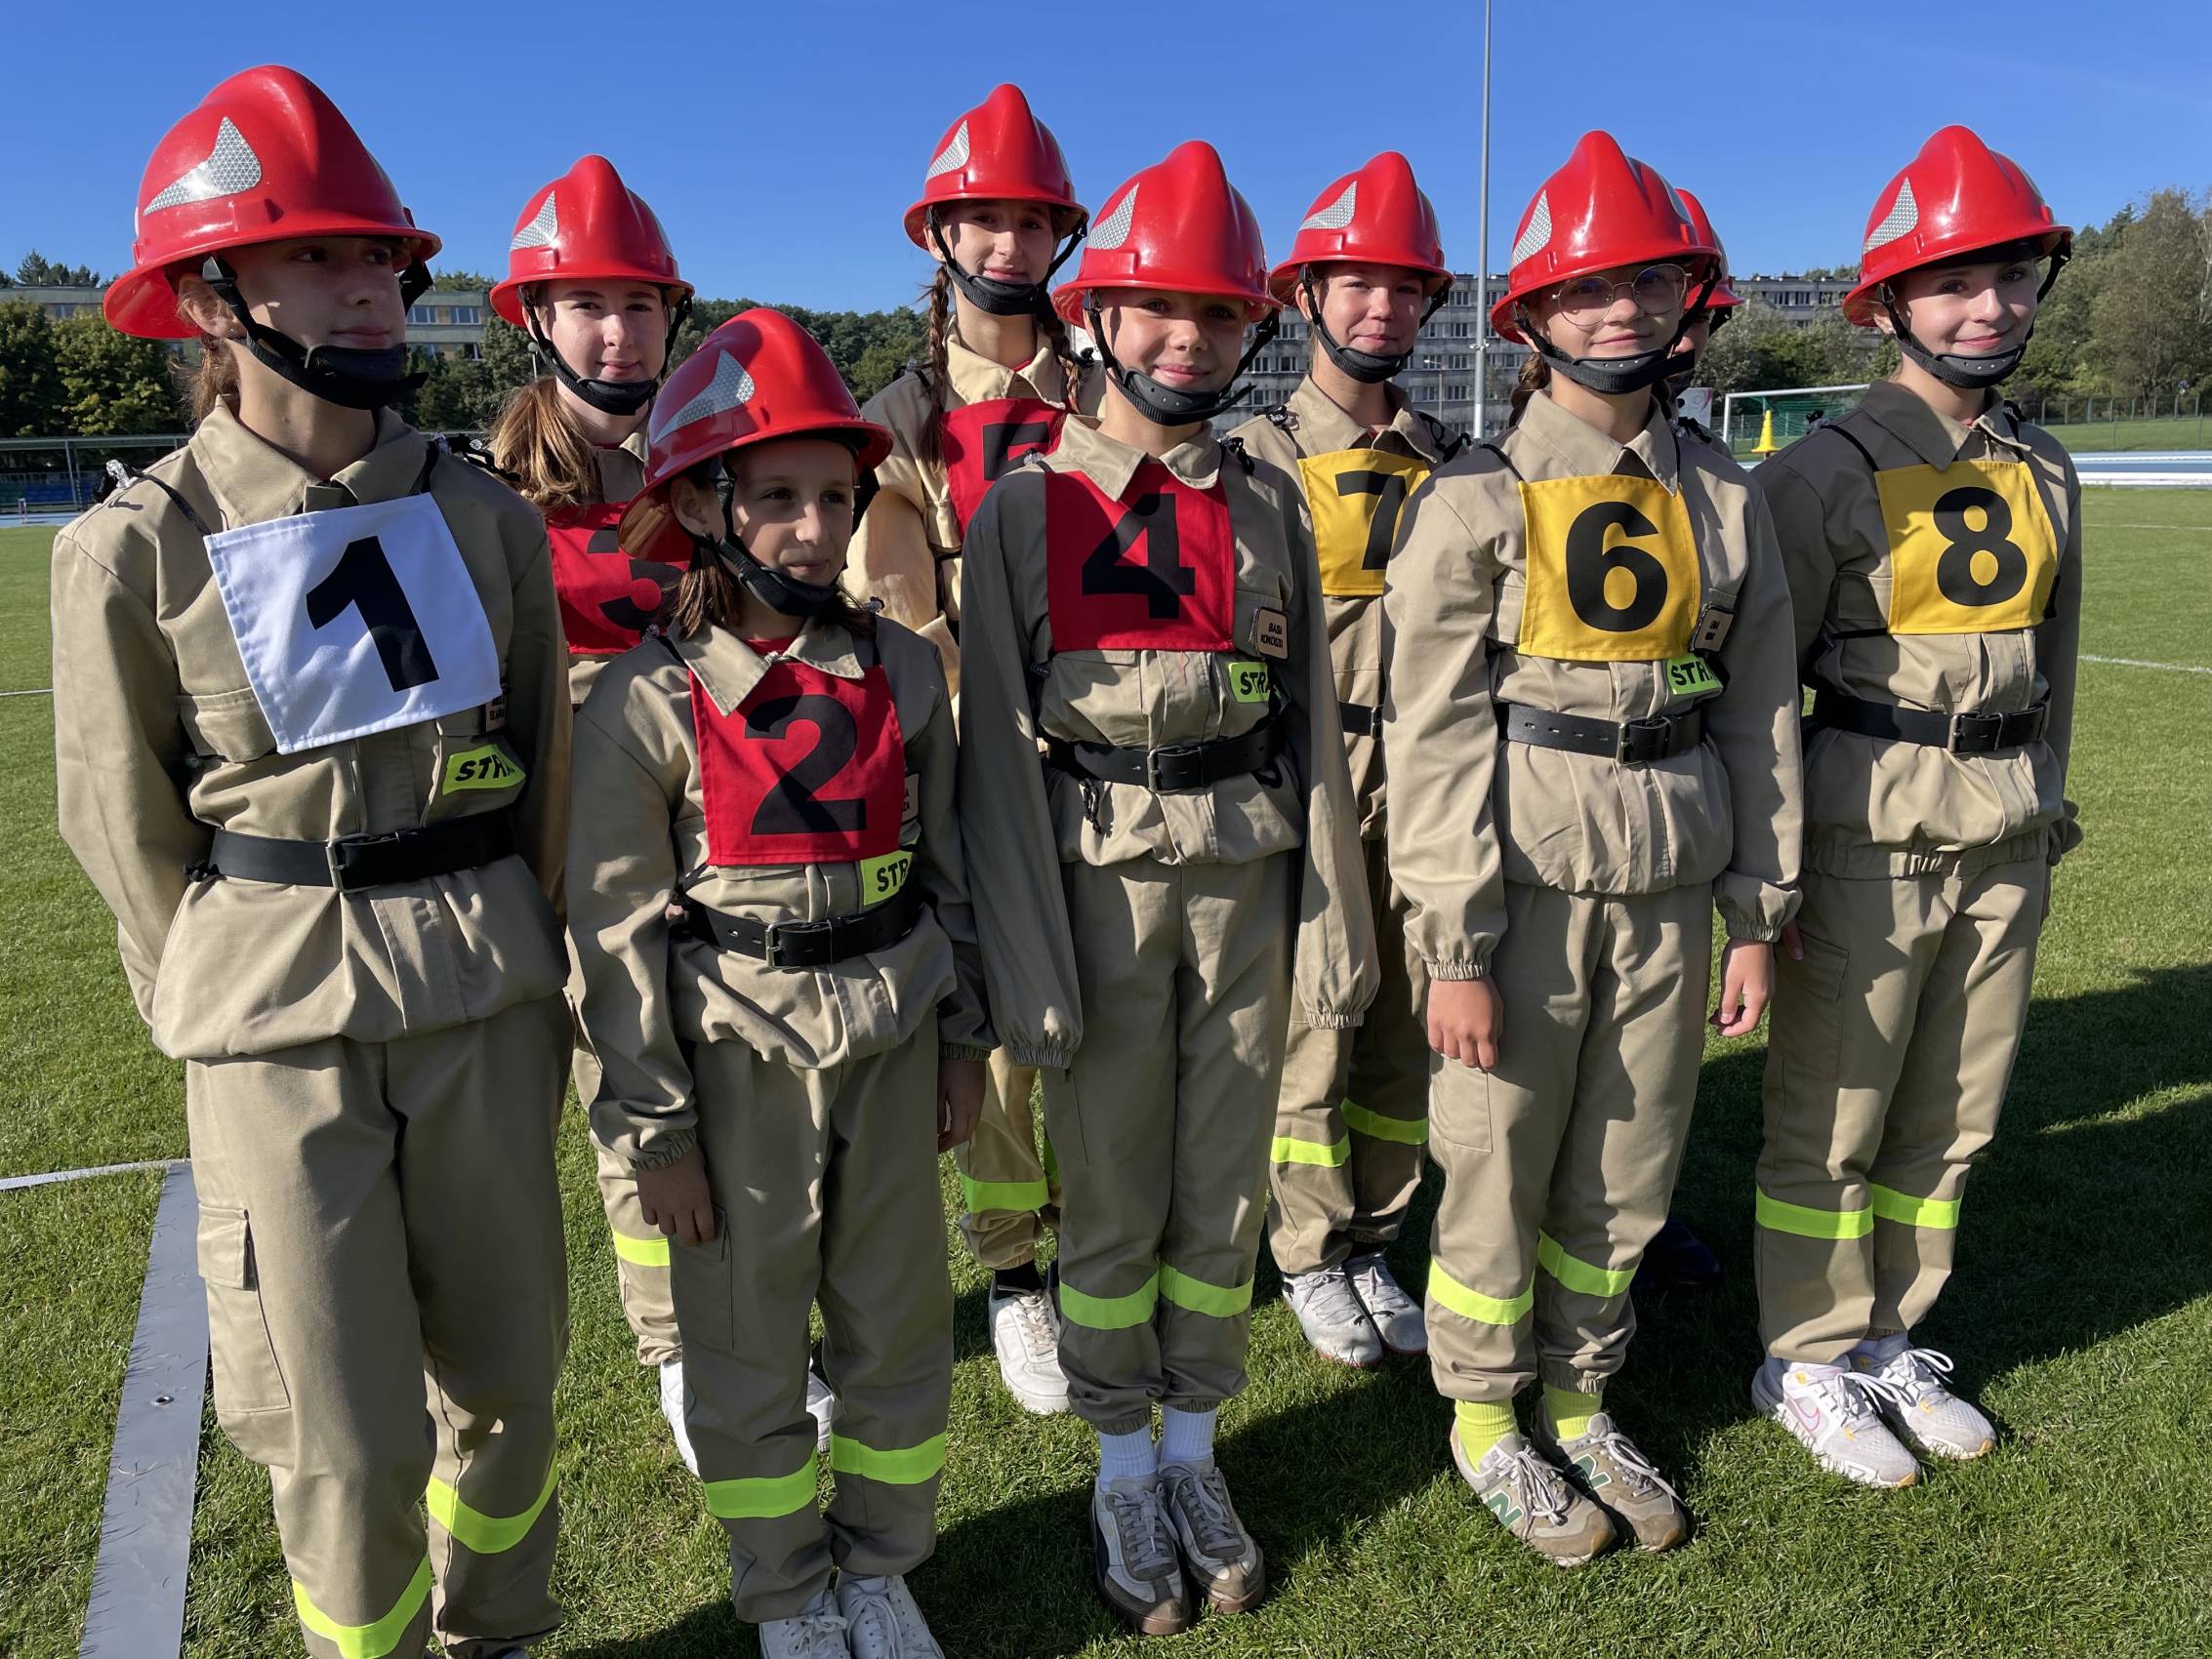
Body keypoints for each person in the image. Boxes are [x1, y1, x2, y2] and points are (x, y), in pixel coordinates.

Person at [57, 66, 570, 1658]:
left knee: (510, 1383)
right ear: (212, 296)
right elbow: (121, 823)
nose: (369, 292)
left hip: (481, 989)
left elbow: (545, 764)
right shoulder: (134, 546)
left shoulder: (483, 517)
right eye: (317, 258)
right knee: (339, 1440)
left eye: (381, 261)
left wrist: (523, 953)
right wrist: (225, 986)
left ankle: (497, 1629)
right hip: (274, 1024)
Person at [957, 140, 1377, 1635]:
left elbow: (1311, 717)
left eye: (1214, 313)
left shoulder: (1271, 503)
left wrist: (1333, 916)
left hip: (1245, 874)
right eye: (1155, 309)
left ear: (1251, 324)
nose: (1185, 339)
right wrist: (1022, 957)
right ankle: (1119, 1466)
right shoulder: (1021, 509)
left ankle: (1194, 1448)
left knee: (1221, 1186)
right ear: (1101, 316)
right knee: (1110, 1191)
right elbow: (993, 759)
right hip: (1096, 889)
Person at [1386, 131, 1802, 1564]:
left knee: (1630, 1158)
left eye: (1646, 284)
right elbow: (1432, 739)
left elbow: (1757, 713)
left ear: (1685, 299)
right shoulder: (1472, 498)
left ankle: (1579, 1392)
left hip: (1672, 874)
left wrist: (1755, 912)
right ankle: (1483, 1417)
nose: (1620, 310)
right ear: (1531, 317)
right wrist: (1452, 944)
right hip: (1521, 886)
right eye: (1586, 289)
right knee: (1496, 1156)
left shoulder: (1725, 496)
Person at [571, 309, 989, 1659]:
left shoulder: (906, 668)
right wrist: (657, 1140)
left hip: (891, 1040)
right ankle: (786, 1591)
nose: (815, 529)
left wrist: (962, 1039)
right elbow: (614, 946)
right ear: (703, 506)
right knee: (747, 1347)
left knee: (897, 1329)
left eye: (835, 497)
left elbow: (949, 871)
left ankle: (878, 1563)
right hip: (736, 1062)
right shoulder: (643, 701)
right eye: (777, 498)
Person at [1749, 126, 2081, 1488]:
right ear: (1886, 302)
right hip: (1867, 831)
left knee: (1953, 1110)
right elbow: (1757, 696)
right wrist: (1764, 878)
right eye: (1950, 281)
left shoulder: (2041, 462)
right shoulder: (1814, 473)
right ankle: (1804, 1355)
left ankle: (1889, 1332)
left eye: (2008, 277)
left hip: (2006, 827)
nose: (1986, 306)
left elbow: (2055, 659)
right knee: (1832, 1113)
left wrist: (2044, 800)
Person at [480, 153, 768, 1472]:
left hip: (731, 831)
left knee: (745, 1074)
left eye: (640, 304)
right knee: (630, 1084)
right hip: (583, 859)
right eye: (588, 304)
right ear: (538, 319)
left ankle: (758, 1312)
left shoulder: (712, 466)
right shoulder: (488, 500)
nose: (618, 333)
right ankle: (675, 1347)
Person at [846, 84, 1098, 1415]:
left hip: (1111, 757)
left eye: (1031, 221)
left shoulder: (1109, 388)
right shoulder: (892, 421)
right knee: (996, 1028)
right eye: (983, 219)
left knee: (1116, 999)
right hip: (977, 758)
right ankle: (1012, 1268)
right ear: (936, 234)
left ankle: (1108, 1227)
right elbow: (894, 615)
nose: (1009, 245)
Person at [1229, 152, 1461, 1365]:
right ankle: (1309, 1247)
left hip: (1430, 776)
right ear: (1305, 294)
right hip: (1307, 774)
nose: (1383, 307)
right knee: (1316, 1017)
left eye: (1405, 287)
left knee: (1405, 1022)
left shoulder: (1456, 457)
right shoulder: (1251, 456)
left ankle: (1376, 1232)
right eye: (1357, 283)